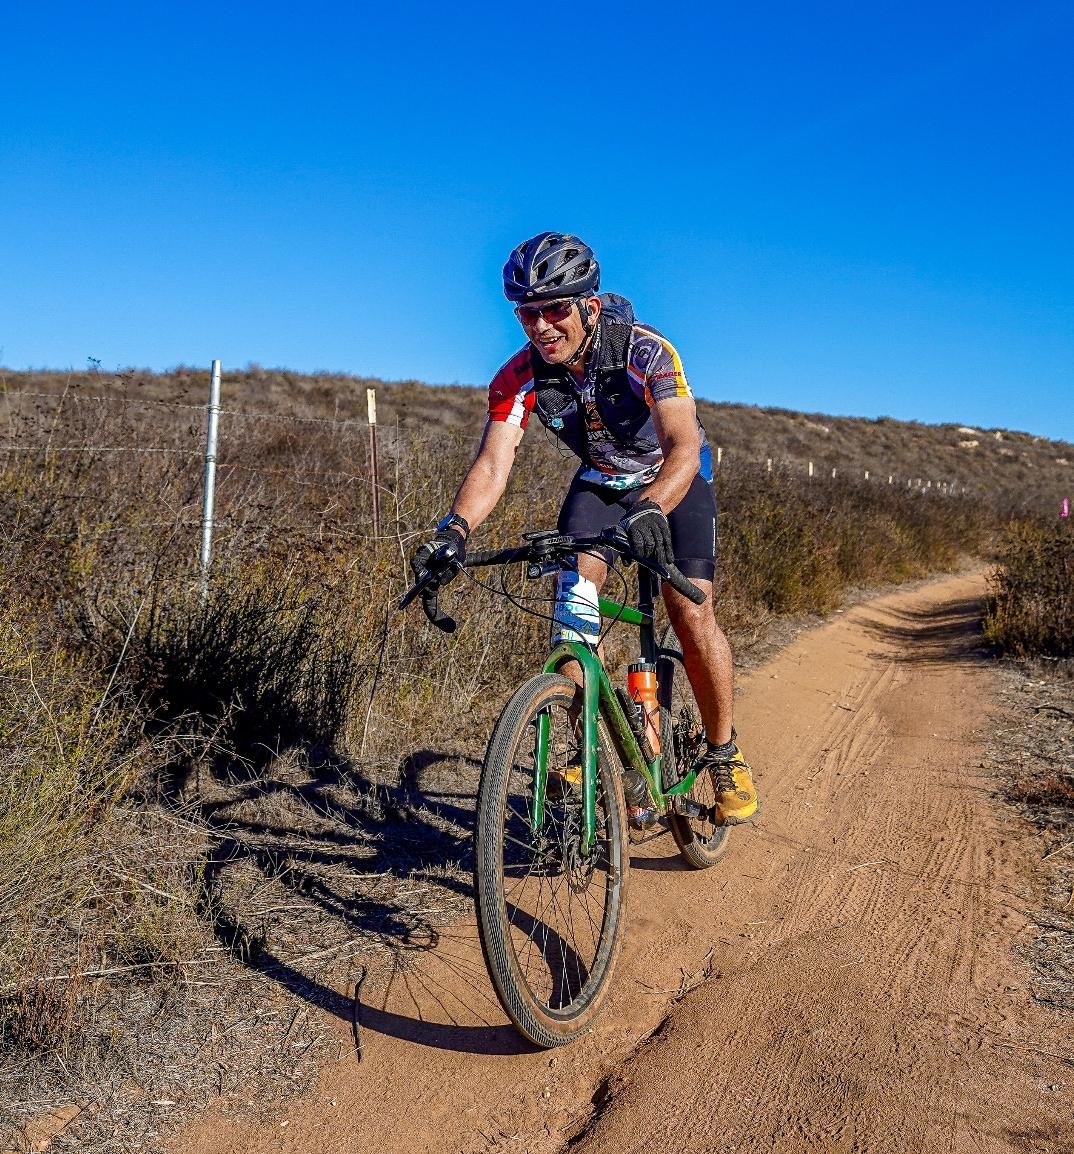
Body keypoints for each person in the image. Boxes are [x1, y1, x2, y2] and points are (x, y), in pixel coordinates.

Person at [410, 232, 757, 827]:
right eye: (527, 313)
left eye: (554, 309)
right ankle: (590, 749)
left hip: (673, 479)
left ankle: (724, 752)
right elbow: (494, 464)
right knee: (574, 613)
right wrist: (454, 530)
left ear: (588, 307)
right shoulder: (516, 377)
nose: (541, 326)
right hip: (599, 482)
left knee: (690, 611)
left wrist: (652, 506)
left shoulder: (647, 352)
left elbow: (683, 442)